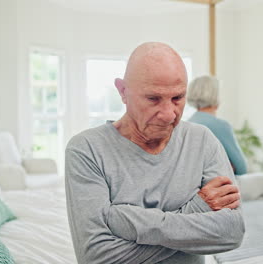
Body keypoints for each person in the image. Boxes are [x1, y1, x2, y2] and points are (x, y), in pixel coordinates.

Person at [65, 42, 245, 264]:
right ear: (123, 91)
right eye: (153, 99)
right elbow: (98, 258)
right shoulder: (86, 149)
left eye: (178, 98)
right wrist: (197, 211)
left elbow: (232, 231)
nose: (169, 114)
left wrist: (130, 222)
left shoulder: (202, 140)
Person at [187, 76, 248, 175]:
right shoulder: (220, 126)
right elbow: (241, 168)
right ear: (216, 96)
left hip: (195, 184)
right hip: (220, 184)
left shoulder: (188, 123)